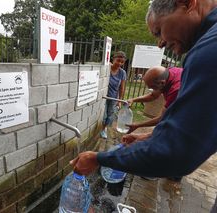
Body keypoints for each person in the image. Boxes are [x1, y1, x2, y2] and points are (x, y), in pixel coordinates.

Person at [70, 0, 217, 211]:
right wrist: (148, 137)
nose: (160, 44)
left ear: (187, 4)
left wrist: (99, 158)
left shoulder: (209, 51)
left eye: (158, 32)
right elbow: (185, 124)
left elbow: (176, 150)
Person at [126, 66, 183, 134]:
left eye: (152, 87)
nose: (151, 89)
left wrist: (138, 125)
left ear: (162, 83)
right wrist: (133, 99)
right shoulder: (168, 72)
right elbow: (153, 96)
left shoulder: (175, 90)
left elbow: (162, 118)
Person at [100, 51, 127, 139]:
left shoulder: (122, 73)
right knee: (103, 115)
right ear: (113, 59)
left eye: (122, 62)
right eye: (118, 60)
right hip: (103, 97)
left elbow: (122, 88)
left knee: (110, 115)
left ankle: (104, 129)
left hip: (113, 98)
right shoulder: (107, 68)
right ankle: (103, 128)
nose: (120, 63)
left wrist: (119, 101)